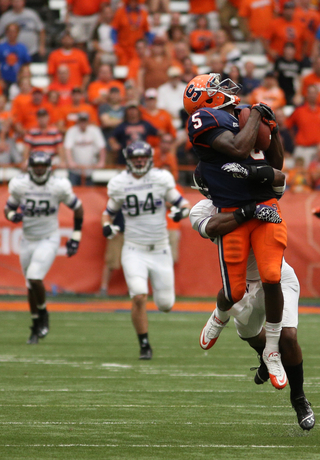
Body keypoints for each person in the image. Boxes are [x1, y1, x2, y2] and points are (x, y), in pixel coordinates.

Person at [184, 72, 288, 390]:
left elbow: (280, 170)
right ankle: (220, 314)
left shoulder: (240, 116)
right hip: (235, 210)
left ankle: (272, 350)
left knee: (273, 276)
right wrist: (256, 114)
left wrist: (273, 129)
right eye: (216, 87)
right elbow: (240, 150)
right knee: (233, 293)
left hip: (263, 203)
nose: (226, 88)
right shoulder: (204, 118)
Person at [189, 181, 315, 431]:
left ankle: (299, 398)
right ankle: (255, 347)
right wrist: (248, 211)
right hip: (241, 283)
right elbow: (213, 226)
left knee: (288, 337)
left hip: (277, 277)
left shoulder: (258, 194)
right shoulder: (202, 210)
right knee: (247, 331)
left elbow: (278, 179)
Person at [101, 140, 190, 359]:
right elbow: (108, 212)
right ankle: (144, 345)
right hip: (134, 249)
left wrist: (181, 213)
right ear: (129, 160)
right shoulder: (120, 183)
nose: (139, 161)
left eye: (142, 157)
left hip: (160, 249)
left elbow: (184, 204)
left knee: (166, 304)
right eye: (135, 158)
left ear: (149, 158)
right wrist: (106, 225)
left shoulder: (161, 179)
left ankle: (146, 337)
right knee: (139, 296)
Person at [4, 151, 84, 344]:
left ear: (49, 168)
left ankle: (44, 312)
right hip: (27, 239)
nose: (39, 170)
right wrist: (11, 216)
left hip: (49, 238)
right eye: (36, 166)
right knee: (30, 285)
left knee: (34, 276)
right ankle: (35, 325)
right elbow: (8, 208)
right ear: (30, 168)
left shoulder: (58, 186)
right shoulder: (21, 185)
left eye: (42, 166)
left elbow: (78, 208)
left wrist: (76, 236)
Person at [64, 111, 106, 185]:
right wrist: (70, 162)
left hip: (90, 170)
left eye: (84, 121)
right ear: (78, 121)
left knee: (90, 193)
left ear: (88, 121)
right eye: (81, 121)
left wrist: (101, 162)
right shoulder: (71, 130)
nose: (83, 123)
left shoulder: (95, 130)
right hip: (74, 170)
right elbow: (67, 148)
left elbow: (102, 147)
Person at [0, 23, 31, 92]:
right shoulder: (1, 47)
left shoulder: (22, 48)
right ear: (6, 33)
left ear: (18, 33)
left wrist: (25, 80)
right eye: (10, 31)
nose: (12, 34)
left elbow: (26, 65)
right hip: (4, 80)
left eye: (14, 31)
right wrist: (0, 79)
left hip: (19, 81)